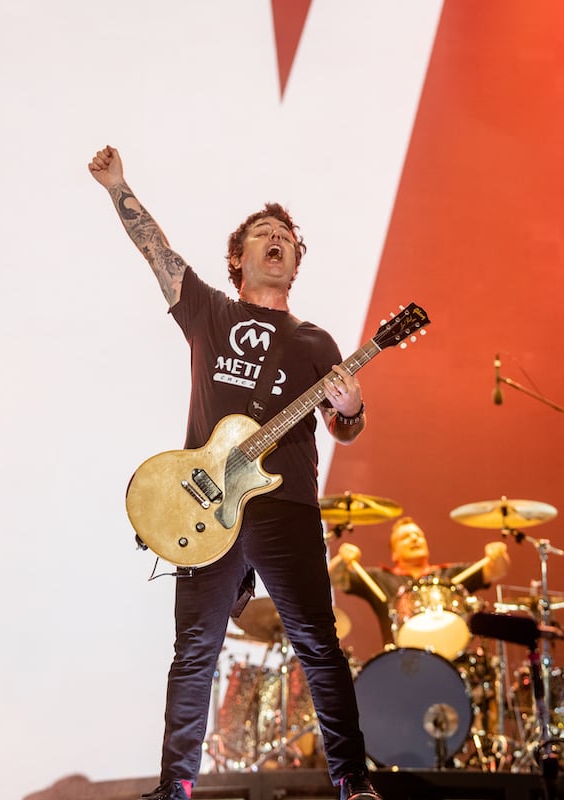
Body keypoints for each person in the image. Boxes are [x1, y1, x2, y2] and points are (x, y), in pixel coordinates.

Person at [88, 145, 382, 800]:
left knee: (318, 646)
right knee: (194, 653)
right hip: (206, 506)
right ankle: (176, 788)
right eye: (264, 236)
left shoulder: (317, 343)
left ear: (295, 264)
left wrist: (352, 407)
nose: (277, 242)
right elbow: (156, 252)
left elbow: (344, 427)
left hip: (288, 508)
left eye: (286, 239)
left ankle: (353, 784)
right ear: (239, 258)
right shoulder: (210, 313)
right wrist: (118, 186)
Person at [328, 516, 510, 650]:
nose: (414, 539)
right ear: (394, 553)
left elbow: (496, 570)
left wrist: (498, 555)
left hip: (450, 655)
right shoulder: (380, 578)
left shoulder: (448, 575)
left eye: (418, 535)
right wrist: (343, 559)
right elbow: (336, 578)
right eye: (405, 537)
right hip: (400, 662)